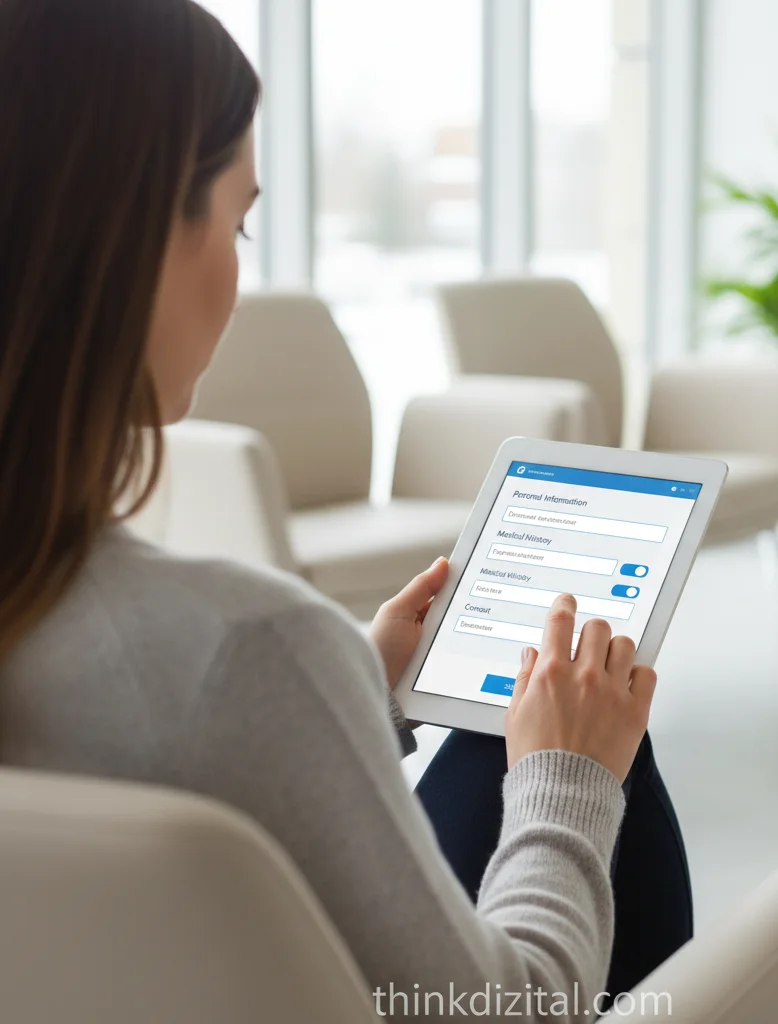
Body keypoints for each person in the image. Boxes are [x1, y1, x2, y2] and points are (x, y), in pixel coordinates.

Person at [0, 0, 692, 1018]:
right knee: (598, 752)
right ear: (133, 241)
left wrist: (355, 684)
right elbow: (516, 1008)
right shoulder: (249, 648)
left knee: (496, 737)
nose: (240, 269)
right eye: (236, 220)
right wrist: (570, 779)